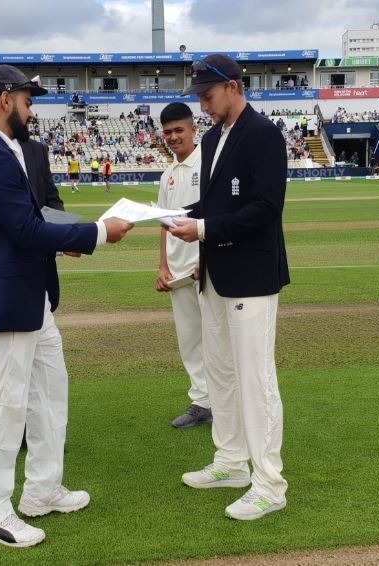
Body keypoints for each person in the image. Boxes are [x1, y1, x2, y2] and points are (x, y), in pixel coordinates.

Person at [0, 64, 133, 548]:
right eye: (28, 100)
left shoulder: (6, 149)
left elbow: (33, 218)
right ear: (4, 99)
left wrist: (67, 238)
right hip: (7, 303)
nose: (33, 110)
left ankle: (41, 490)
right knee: (3, 407)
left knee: (49, 396)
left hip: (31, 298)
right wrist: (98, 232)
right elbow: (25, 230)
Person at [170, 54, 290, 521]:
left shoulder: (263, 134)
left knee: (256, 380)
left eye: (208, 95)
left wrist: (199, 229)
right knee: (220, 373)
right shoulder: (215, 136)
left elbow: (265, 208)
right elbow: (217, 201)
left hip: (252, 277)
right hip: (216, 274)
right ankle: (231, 461)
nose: (203, 105)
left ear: (235, 87)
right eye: (199, 96)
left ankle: (269, 483)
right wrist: (179, 214)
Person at [155, 102, 211, 429]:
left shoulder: (207, 164)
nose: (173, 137)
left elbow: (213, 217)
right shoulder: (167, 175)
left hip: (203, 266)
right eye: (168, 132)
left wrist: (207, 259)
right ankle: (202, 402)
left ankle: (228, 404)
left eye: (179, 130)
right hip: (177, 272)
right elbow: (163, 224)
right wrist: (162, 266)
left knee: (217, 339)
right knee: (189, 339)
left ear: (193, 130)